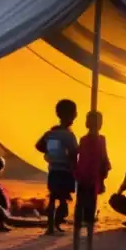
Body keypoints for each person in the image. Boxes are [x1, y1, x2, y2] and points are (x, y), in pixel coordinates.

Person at [35, 99, 79, 236]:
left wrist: (50, 152)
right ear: (73, 115)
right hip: (65, 171)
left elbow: (38, 145)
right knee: (63, 199)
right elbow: (73, 153)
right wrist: (75, 168)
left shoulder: (50, 133)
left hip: (53, 170)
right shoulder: (68, 135)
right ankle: (56, 222)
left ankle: (51, 226)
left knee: (54, 197)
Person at [73, 110, 111, 239]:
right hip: (86, 176)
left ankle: (86, 230)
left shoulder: (98, 140)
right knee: (83, 203)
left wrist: (103, 173)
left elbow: (103, 158)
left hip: (91, 176)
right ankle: (82, 228)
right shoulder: (86, 139)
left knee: (87, 204)